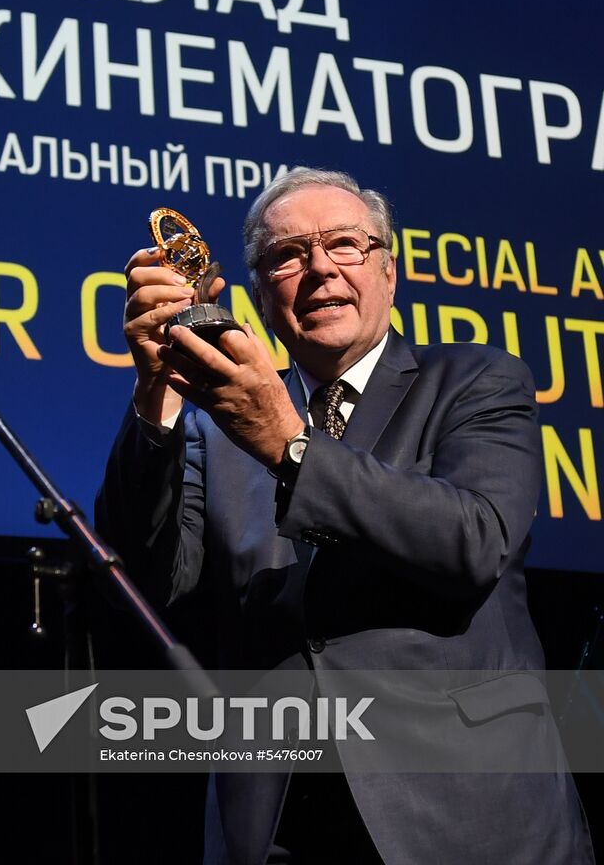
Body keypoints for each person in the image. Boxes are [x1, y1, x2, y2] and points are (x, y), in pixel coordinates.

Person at [95, 167, 593, 864]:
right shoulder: (218, 430)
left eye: (346, 245)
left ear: (389, 271)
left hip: (468, 814)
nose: (320, 268)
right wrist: (158, 397)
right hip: (276, 823)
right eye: (288, 255)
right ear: (259, 295)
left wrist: (290, 448)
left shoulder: (478, 381)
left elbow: (475, 543)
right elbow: (148, 585)